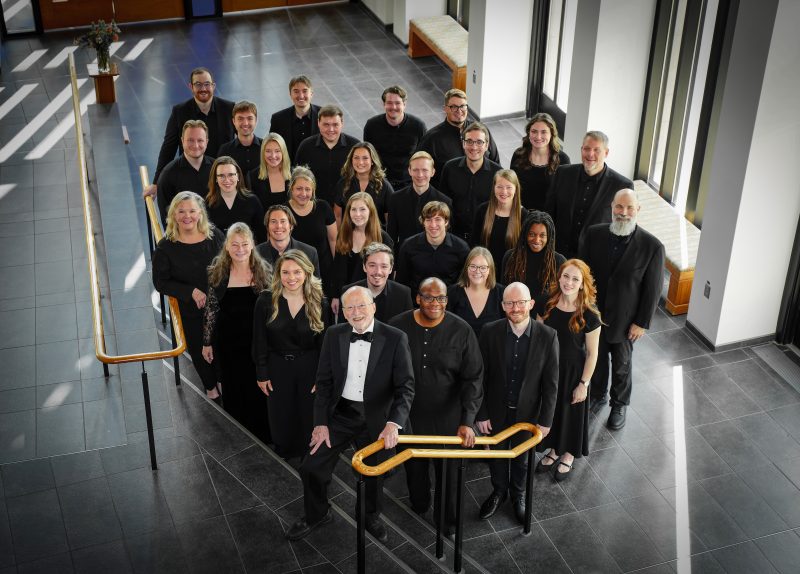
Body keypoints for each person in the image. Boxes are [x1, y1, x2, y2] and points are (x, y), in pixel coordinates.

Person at [285, 286, 415, 544]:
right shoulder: (333, 335)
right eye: (350, 308)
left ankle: (369, 516)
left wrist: (393, 424)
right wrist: (321, 423)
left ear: (373, 307)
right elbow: (323, 382)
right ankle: (317, 514)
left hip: (378, 417)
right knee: (311, 466)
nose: (356, 313)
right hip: (341, 414)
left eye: (361, 306)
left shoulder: (396, 337)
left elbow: (406, 387)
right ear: (342, 312)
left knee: (373, 472)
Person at [389, 278, 483, 536]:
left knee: (449, 477)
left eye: (441, 298)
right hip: (409, 417)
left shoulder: (462, 330)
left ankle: (448, 524)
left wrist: (468, 419)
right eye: (428, 297)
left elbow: (473, 377)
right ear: (417, 298)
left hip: (449, 419)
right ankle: (419, 503)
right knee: (414, 470)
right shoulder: (397, 326)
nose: (435, 303)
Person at [579, 189, 664, 430]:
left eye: (629, 208)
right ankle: (597, 395)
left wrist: (642, 322)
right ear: (612, 207)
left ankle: (619, 403)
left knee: (622, 364)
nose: (623, 213)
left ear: (638, 210)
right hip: (595, 314)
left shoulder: (652, 246)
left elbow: (653, 289)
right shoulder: (594, 234)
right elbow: (583, 274)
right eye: (619, 207)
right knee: (595, 357)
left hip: (627, 321)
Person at [476, 282, 559, 524]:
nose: (516, 308)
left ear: (531, 304)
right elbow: (480, 376)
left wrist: (545, 421)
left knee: (522, 459)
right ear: (502, 306)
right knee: (497, 456)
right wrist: (481, 414)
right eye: (510, 303)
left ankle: (518, 494)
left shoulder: (548, 336)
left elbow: (551, 384)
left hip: (528, 415)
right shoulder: (490, 331)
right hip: (496, 412)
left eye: (521, 302)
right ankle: (499, 491)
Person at [252, 250, 331, 458]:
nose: (291, 278)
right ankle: (284, 452)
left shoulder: (319, 301)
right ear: (278, 274)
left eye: (297, 272)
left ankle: (310, 451)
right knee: (280, 413)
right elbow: (259, 340)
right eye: (285, 272)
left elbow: (325, 345)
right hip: (277, 365)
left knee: (308, 412)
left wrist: (322, 376)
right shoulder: (266, 300)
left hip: (310, 364)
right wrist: (262, 372)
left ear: (306, 273)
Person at [202, 223, 272, 441]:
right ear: (227, 247)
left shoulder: (264, 271)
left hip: (257, 343)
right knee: (234, 388)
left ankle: (264, 434)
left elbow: (273, 309)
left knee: (259, 390)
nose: (240, 249)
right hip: (229, 344)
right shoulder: (218, 272)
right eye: (235, 244)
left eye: (244, 244)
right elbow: (211, 309)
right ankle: (239, 436)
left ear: (252, 245)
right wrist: (207, 342)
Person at [152, 191, 224, 400]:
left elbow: (226, 266)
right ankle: (210, 387)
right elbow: (160, 282)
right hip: (192, 309)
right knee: (200, 348)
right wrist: (189, 291)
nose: (187, 216)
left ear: (200, 213)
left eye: (192, 210)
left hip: (219, 303)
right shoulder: (166, 247)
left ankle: (222, 380)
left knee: (221, 345)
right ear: (173, 215)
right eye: (181, 211)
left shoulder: (215, 236)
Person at [536, 259, 601, 481]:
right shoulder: (546, 303)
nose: (569, 282)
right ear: (559, 277)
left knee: (571, 413)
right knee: (552, 411)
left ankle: (569, 454)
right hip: (550, 368)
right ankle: (554, 450)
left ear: (583, 284)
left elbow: (592, 354)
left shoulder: (590, 314)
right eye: (566, 276)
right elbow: (537, 339)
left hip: (574, 372)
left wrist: (583, 384)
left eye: (575, 279)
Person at [545, 130, 633, 258]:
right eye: (587, 149)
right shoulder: (563, 173)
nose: (590, 154)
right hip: (558, 252)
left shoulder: (622, 186)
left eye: (596, 150)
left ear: (606, 153)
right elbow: (548, 212)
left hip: (595, 255)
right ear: (581, 150)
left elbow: (622, 228)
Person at [151, 67, 235, 189]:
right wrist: (156, 182)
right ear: (191, 87)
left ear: (213, 86)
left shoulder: (229, 109)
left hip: (222, 178)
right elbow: (168, 148)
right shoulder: (179, 112)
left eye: (207, 84)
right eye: (198, 85)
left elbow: (241, 141)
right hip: (190, 177)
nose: (203, 89)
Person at [417, 88, 500, 188]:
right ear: (445, 109)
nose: (459, 110)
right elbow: (421, 172)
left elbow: (496, 162)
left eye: (462, 106)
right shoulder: (431, 139)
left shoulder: (481, 131)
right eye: (454, 107)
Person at [438, 122, 502, 243]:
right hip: (454, 235)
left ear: (487, 145)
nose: (473, 147)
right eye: (469, 141)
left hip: (485, 237)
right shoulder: (450, 168)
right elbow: (443, 203)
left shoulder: (498, 173)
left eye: (479, 142)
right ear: (463, 143)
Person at [331, 193, 393, 314]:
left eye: (362, 209)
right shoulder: (343, 235)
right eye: (353, 209)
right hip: (347, 299)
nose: (357, 214)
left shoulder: (383, 238)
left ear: (371, 211)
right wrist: (335, 296)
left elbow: (388, 274)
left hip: (372, 300)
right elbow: (337, 269)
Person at [502, 211, 566, 317]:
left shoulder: (558, 261)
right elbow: (503, 292)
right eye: (532, 234)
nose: (537, 240)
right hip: (514, 316)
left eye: (542, 235)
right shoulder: (510, 257)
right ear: (525, 234)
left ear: (549, 237)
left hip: (545, 320)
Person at [395, 201, 469, 291]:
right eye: (428, 220)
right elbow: (401, 282)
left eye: (438, 219)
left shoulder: (461, 248)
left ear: (446, 221)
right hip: (416, 302)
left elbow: (464, 283)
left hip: (450, 303)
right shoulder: (408, 246)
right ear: (423, 222)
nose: (433, 225)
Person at [294, 105, 360, 206]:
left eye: (335, 124)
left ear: (342, 124)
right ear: (318, 123)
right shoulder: (306, 147)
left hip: (348, 206)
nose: (331, 129)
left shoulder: (355, 146)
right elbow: (297, 178)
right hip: (314, 206)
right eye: (326, 125)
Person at [363, 85, 427, 188]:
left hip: (409, 182)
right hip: (380, 182)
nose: (393, 107)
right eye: (389, 103)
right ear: (383, 104)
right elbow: (368, 155)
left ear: (404, 104)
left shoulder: (418, 126)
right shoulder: (371, 126)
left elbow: (424, 157)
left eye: (397, 103)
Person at [285, 166, 337, 295]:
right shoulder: (283, 211)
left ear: (313, 190)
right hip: (292, 276)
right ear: (291, 188)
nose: (303, 194)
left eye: (308, 189)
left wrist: (337, 271)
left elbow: (334, 240)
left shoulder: (323, 207)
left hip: (323, 272)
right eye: (299, 189)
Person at [152, 120, 214, 226]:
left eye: (200, 140)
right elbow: (167, 218)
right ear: (182, 141)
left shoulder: (217, 168)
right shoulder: (168, 175)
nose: (196, 145)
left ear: (207, 142)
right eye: (190, 140)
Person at [386, 151, 452, 249]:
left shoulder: (445, 201)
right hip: (405, 257)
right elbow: (391, 237)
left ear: (432, 172)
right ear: (409, 171)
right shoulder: (396, 199)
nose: (420, 175)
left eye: (425, 170)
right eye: (416, 170)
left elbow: (447, 238)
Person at [339, 242, 413, 324]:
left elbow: (407, 329)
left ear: (391, 269)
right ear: (364, 267)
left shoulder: (403, 294)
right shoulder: (348, 292)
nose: (378, 271)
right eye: (372, 265)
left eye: (384, 266)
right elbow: (342, 330)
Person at [510, 113, 570, 212]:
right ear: (529, 133)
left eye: (544, 132)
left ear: (552, 134)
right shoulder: (518, 155)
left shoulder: (563, 160)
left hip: (549, 217)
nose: (538, 137)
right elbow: (512, 187)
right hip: (522, 213)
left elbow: (565, 196)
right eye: (534, 131)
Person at [472, 169, 528, 269]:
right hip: (485, 270)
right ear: (494, 188)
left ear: (516, 189)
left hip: (511, 271)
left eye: (509, 187)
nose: (504, 191)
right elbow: (474, 244)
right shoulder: (482, 210)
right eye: (499, 187)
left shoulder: (524, 215)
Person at [447, 247, 505, 339]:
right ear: (466, 268)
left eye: (483, 268)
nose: (477, 271)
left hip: (492, 351)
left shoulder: (502, 293)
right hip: (460, 351)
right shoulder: (452, 293)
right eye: (473, 266)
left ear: (490, 270)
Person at [205, 156, 266, 244]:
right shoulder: (207, 204)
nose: (227, 180)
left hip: (246, 253)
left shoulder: (252, 201)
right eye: (221, 176)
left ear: (238, 176)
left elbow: (262, 235)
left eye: (231, 175)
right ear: (215, 179)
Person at [333, 142, 394, 226]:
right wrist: (339, 238)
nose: (360, 162)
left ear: (372, 161)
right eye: (356, 158)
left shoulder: (384, 186)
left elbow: (391, 219)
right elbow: (337, 215)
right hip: (349, 236)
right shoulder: (343, 183)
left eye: (365, 158)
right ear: (351, 160)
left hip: (377, 236)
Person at [256, 204, 321, 278]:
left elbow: (315, 287)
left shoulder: (309, 253)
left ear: (291, 226)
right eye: (273, 221)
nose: (278, 226)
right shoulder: (255, 254)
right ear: (267, 226)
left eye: (283, 221)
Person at [269, 75, 320, 158]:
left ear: (311, 94)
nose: (301, 96)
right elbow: (272, 146)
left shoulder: (324, 115)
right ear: (290, 94)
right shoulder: (278, 119)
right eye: (296, 91)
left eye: (305, 91)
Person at [247, 133, 291, 211]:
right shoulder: (252, 177)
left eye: (277, 151)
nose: (273, 156)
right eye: (268, 151)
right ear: (263, 153)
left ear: (283, 152)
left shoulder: (294, 175)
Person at [217, 100, 262, 175]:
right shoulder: (224, 150)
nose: (245, 123)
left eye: (250, 118)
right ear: (233, 121)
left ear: (256, 120)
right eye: (240, 119)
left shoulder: (266, 147)